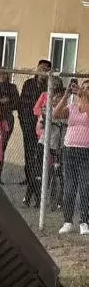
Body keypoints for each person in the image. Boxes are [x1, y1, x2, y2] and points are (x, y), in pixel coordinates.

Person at [53, 78, 89, 234]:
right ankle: (67, 221)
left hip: (86, 151)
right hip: (69, 150)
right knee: (69, 186)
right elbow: (56, 114)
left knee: (85, 186)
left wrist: (83, 96)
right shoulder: (72, 107)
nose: (86, 90)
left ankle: (84, 222)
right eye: (84, 88)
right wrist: (66, 95)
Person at [20, 60, 52, 204]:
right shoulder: (29, 84)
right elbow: (23, 103)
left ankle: (38, 178)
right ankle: (28, 176)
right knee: (28, 150)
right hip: (28, 121)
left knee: (39, 153)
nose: (43, 71)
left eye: (46, 69)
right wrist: (24, 119)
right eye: (41, 68)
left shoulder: (49, 86)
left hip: (42, 125)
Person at [32, 77, 66, 208]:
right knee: (41, 173)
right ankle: (38, 199)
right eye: (56, 97)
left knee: (56, 174)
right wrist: (47, 120)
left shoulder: (66, 112)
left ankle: (56, 201)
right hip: (45, 145)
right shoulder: (47, 110)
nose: (58, 100)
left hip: (58, 147)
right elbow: (41, 127)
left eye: (61, 97)